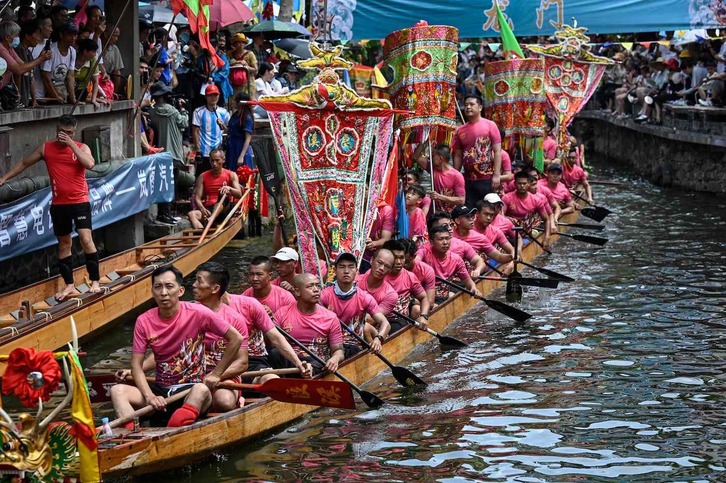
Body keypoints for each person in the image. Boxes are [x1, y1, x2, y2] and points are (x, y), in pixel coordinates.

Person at [110, 265, 243, 427]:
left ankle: (173, 434)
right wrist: (149, 396)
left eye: (169, 286)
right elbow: (136, 366)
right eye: (158, 287)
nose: (163, 293)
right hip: (161, 389)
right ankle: (131, 437)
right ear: (152, 291)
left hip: (191, 389)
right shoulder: (143, 321)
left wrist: (216, 374)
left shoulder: (198, 312)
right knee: (117, 391)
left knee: (201, 390)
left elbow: (236, 338)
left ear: (180, 291)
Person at [0, 115, 101, 300]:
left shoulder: (81, 147)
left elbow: (90, 164)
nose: (64, 135)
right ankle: (69, 285)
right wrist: (4, 178)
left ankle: (95, 281)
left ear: (73, 132)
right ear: (56, 130)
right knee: (64, 244)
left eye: (69, 133)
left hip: (79, 202)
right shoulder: (47, 147)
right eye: (61, 132)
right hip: (59, 204)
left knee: (86, 239)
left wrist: (71, 144)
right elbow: (24, 163)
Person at [191, 262, 249, 411]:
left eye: (199, 281)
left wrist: (215, 375)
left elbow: (242, 363)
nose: (193, 285)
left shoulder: (235, 319)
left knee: (224, 401)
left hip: (223, 377)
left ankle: (237, 400)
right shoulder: (186, 312)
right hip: (191, 375)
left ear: (215, 289)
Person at [224, 290, 312, 383]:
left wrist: (298, 364)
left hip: (253, 363)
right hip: (218, 365)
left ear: (215, 288)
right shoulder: (207, 313)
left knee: (273, 381)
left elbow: (276, 338)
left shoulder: (249, 304)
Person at [319, 253, 390, 358]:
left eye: (351, 267)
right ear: (334, 271)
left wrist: (378, 339)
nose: (346, 271)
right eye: (342, 267)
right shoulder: (324, 295)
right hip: (330, 345)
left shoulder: (365, 297)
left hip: (353, 346)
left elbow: (385, 323)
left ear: (356, 271)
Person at [274, 274, 345, 375]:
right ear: (297, 291)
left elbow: (339, 351)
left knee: (317, 363)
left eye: (317, 285)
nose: (316, 290)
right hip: (291, 361)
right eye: (310, 286)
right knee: (275, 353)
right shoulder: (281, 313)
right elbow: (274, 343)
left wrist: (335, 358)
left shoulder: (331, 317)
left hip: (317, 363)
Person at [149, 82, 190, 225]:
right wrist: (183, 109)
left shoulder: (152, 111)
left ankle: (163, 213)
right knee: (172, 184)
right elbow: (184, 123)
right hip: (173, 153)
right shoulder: (173, 111)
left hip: (159, 153)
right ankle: (167, 213)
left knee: (163, 184)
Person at [452, 94, 502, 206]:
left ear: (480, 107)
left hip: (487, 177)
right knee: (470, 210)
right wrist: (456, 176)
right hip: (468, 179)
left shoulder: (490, 125)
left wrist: (497, 175)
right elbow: (458, 155)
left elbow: (498, 151)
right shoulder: (460, 130)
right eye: (466, 105)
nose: (468, 107)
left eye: (472, 104)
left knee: (488, 209)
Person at [418, 225, 482, 302]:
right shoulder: (424, 252)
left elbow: (469, 283)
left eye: (447, 238)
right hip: (424, 295)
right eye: (441, 239)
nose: (445, 242)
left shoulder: (456, 259)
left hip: (443, 296)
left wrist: (474, 288)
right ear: (431, 242)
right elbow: (416, 261)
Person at [381, 240, 431, 332]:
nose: (399, 262)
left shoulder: (410, 276)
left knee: (417, 309)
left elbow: (424, 298)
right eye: (395, 258)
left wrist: (424, 316)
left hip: (401, 321)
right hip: (381, 320)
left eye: (402, 258)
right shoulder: (377, 275)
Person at [188, 148, 243, 229]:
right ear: (209, 161)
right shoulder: (202, 177)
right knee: (191, 214)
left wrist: (229, 189)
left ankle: (211, 220)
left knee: (223, 193)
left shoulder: (231, 175)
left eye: (217, 160)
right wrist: (202, 208)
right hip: (209, 209)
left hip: (225, 209)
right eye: (212, 161)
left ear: (223, 160)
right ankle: (201, 234)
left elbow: (239, 194)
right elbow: (197, 198)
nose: (214, 163)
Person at [422, 212, 488, 278]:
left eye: (451, 225)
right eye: (445, 226)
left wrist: (477, 270)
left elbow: (479, 261)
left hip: (457, 285)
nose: (450, 228)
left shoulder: (461, 244)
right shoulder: (423, 248)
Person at [1, 21, 52, 101]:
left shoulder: (10, 49)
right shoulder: (2, 49)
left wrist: (40, 58)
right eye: (16, 35)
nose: (18, 38)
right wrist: (40, 59)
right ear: (7, 37)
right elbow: (19, 70)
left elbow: (23, 65)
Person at [501, 171, 552, 248]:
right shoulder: (506, 198)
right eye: (519, 183)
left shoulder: (536, 200)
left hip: (526, 233)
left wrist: (547, 238)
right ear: (515, 184)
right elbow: (500, 218)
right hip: (510, 233)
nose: (522, 186)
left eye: (524, 183)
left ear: (528, 184)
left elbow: (547, 220)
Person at [414, 143, 465, 213]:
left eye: (433, 156)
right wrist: (423, 141)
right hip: (434, 213)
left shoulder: (456, 175)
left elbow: (461, 200)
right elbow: (415, 157)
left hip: (449, 215)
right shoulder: (432, 168)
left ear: (440, 159)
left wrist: (439, 197)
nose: (430, 158)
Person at [192, 84, 230, 175]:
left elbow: (229, 130)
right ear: (206, 97)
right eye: (210, 95)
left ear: (219, 96)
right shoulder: (198, 112)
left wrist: (223, 125)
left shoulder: (224, 112)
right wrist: (198, 150)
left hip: (218, 152)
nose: (213, 97)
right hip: (204, 152)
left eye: (215, 95)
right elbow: (195, 131)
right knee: (201, 177)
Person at [13, 19, 48, 107]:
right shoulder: (18, 50)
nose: (38, 38)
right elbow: (18, 74)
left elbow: (31, 77)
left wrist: (34, 100)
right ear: (27, 36)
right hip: (18, 100)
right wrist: (18, 97)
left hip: (24, 100)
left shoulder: (28, 53)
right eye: (36, 35)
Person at [40, 22, 77, 104]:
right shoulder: (51, 50)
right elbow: (45, 76)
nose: (73, 38)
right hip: (47, 90)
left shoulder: (72, 51)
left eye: (75, 35)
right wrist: (55, 96)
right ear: (61, 35)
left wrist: (73, 99)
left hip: (61, 88)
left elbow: (70, 76)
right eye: (70, 35)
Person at [400, 238, 436, 309]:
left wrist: (410, 300)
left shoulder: (427, 270)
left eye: (406, 261)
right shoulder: (390, 268)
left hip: (413, 303)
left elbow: (430, 303)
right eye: (398, 259)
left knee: (417, 309)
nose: (401, 264)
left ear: (414, 256)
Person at [226, 92, 254, 171]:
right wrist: (222, 125)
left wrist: (241, 156)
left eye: (235, 100)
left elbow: (248, 138)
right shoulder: (235, 115)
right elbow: (230, 131)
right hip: (232, 146)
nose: (233, 102)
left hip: (240, 147)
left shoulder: (247, 117)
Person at [229, 33, 257, 100]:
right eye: (238, 42)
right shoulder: (230, 54)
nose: (241, 44)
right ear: (234, 44)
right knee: (235, 103)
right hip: (234, 84)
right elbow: (226, 66)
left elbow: (255, 69)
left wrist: (246, 66)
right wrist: (235, 63)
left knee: (249, 103)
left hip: (248, 83)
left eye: (242, 42)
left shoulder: (250, 54)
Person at [103, 27, 124, 96]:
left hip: (108, 80)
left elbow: (117, 70)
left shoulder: (114, 49)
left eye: (118, 36)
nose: (116, 39)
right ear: (106, 34)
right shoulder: (98, 45)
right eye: (114, 36)